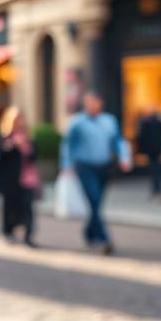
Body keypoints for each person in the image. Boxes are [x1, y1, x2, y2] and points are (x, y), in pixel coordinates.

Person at [61, 92, 132, 255]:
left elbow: (118, 140)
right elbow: (68, 144)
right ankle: (104, 238)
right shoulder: (77, 122)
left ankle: (89, 232)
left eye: (95, 102)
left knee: (98, 202)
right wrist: (66, 164)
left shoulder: (109, 121)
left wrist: (124, 157)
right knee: (94, 198)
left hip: (104, 167)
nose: (92, 105)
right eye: (89, 102)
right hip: (85, 167)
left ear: (100, 103)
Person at [0, 107, 39, 247]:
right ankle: (8, 232)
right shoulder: (4, 137)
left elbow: (34, 157)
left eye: (21, 119)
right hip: (10, 179)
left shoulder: (28, 136)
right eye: (17, 119)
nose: (20, 122)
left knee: (28, 207)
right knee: (9, 207)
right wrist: (9, 148)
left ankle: (28, 235)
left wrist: (26, 146)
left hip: (27, 178)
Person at [136, 105, 161, 199]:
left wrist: (140, 149)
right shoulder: (159, 121)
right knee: (156, 169)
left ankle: (157, 190)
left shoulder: (146, 121)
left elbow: (141, 136)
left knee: (154, 169)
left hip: (152, 149)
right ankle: (157, 190)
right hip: (157, 148)